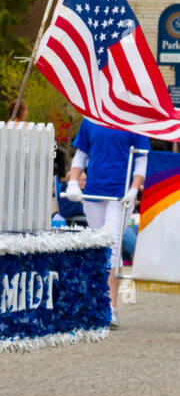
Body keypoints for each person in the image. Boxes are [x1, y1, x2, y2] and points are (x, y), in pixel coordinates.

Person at [64, 118, 148, 323]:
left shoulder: (134, 119)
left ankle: (110, 307)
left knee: (112, 245)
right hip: (93, 193)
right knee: (99, 247)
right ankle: (96, 302)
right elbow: (80, 155)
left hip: (120, 194)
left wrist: (134, 189)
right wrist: (73, 182)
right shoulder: (90, 118)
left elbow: (141, 160)